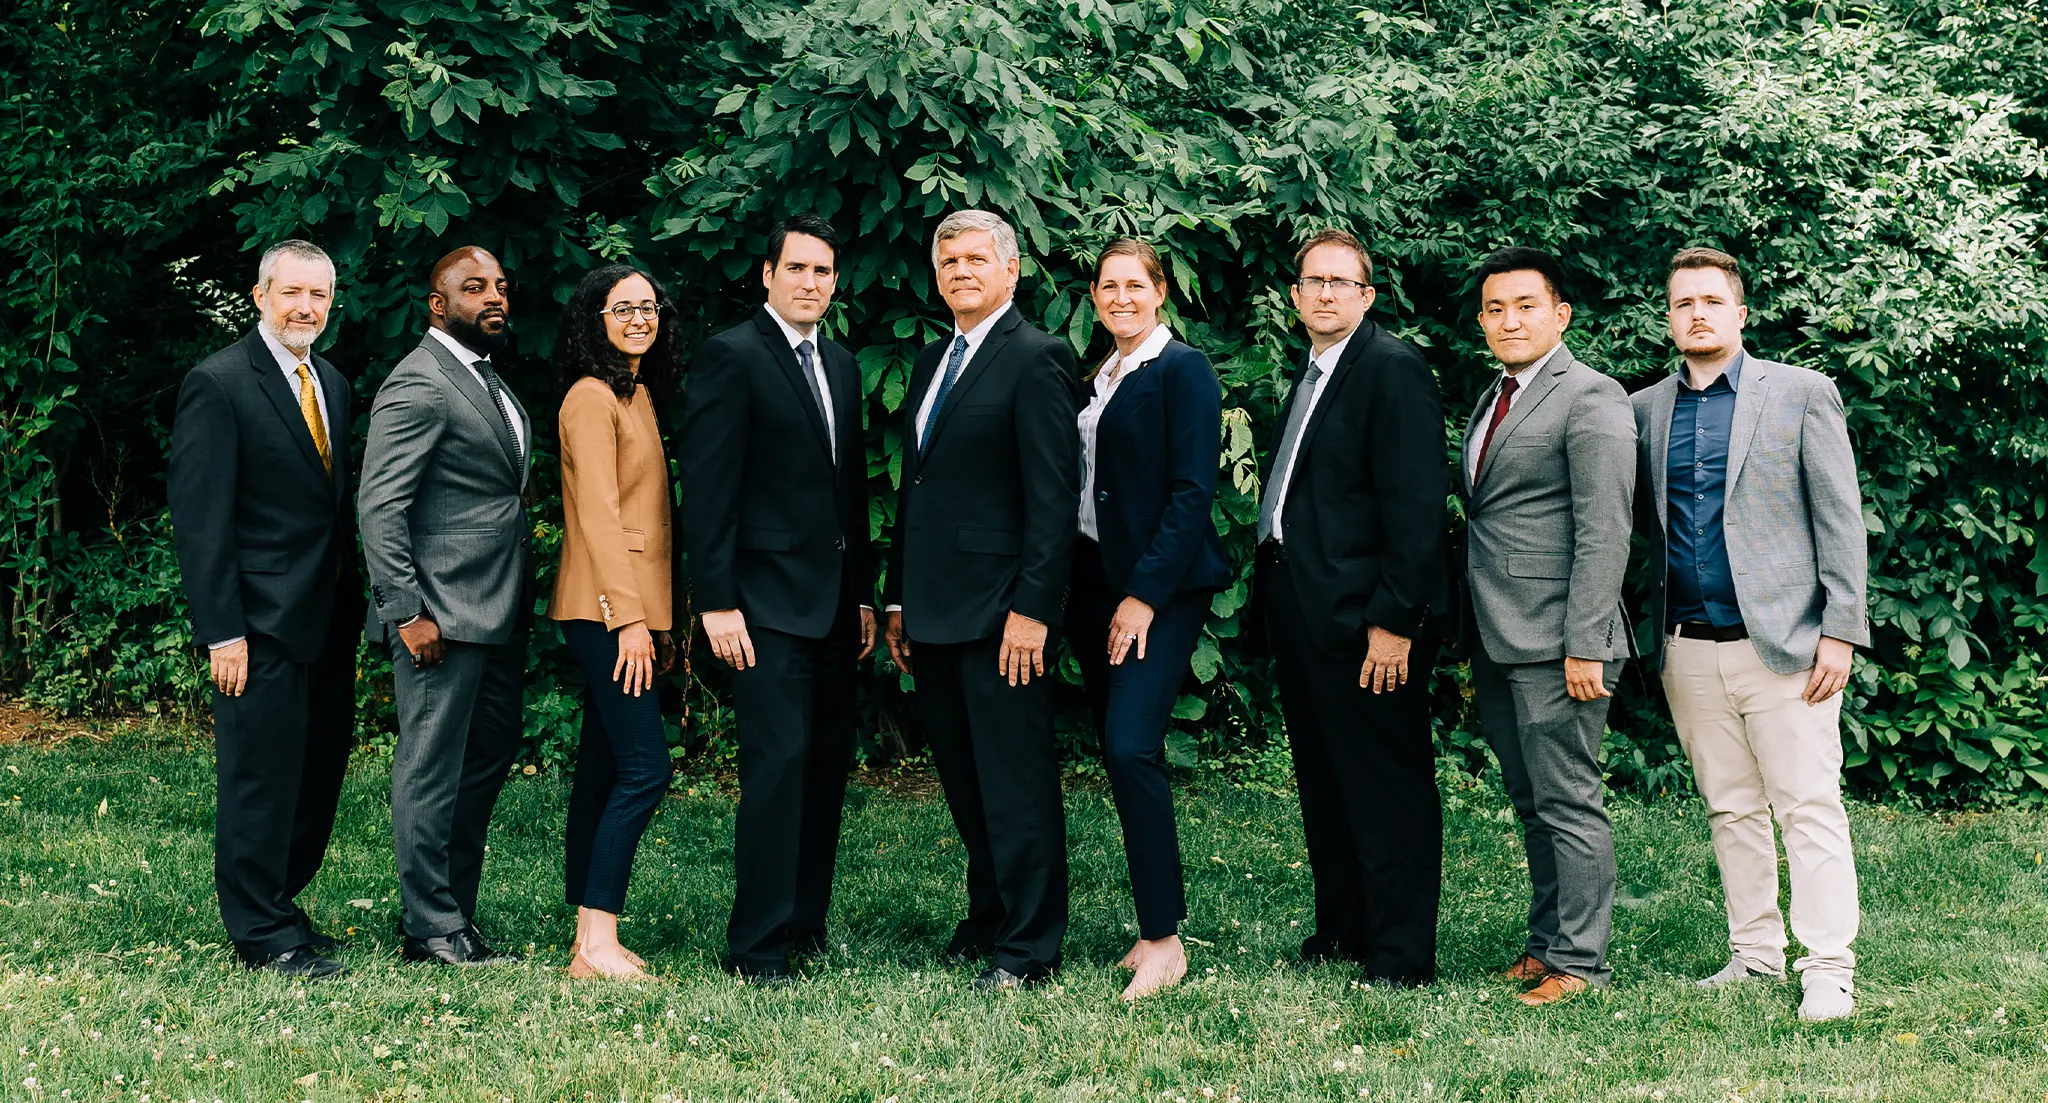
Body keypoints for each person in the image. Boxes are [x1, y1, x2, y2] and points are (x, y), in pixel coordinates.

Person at [1632, 247, 1869, 1022]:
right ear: (1667, 318)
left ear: (1740, 312)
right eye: (1681, 303)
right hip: (1688, 645)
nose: (1696, 313)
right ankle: (1755, 953)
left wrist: (1840, 629)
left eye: (1710, 300)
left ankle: (1829, 966)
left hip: (1788, 647)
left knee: (1808, 805)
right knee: (1731, 807)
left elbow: (1839, 519)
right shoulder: (1644, 410)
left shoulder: (1802, 393)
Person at [882, 209, 1080, 990]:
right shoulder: (937, 359)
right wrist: (897, 598)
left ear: (1010, 269)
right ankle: (990, 914)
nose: (960, 271)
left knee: (1014, 780)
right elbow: (918, 491)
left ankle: (1030, 945)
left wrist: (1034, 609)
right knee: (965, 778)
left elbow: (1053, 496)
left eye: (975, 259)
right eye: (948, 261)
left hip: (1004, 613)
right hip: (932, 610)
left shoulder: (1038, 358)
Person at [680, 215, 877, 987]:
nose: (810, 282)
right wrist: (717, 602)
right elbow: (710, 489)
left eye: (823, 271)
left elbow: (848, 492)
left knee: (826, 764)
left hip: (833, 606)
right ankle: (757, 945)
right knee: (777, 765)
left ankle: (804, 924)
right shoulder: (732, 356)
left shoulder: (844, 363)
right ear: (767, 274)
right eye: (796, 267)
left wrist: (862, 595)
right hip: (759, 605)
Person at [1254, 228, 1452, 988]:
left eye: (1343, 282)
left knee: (1385, 785)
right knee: (1327, 780)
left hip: (1370, 620)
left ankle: (1401, 955)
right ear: (1297, 295)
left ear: (1367, 296)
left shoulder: (1392, 369)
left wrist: (1395, 621)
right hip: (1305, 611)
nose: (1327, 293)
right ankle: (1345, 927)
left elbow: (1413, 508)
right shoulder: (1313, 371)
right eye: (1315, 281)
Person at [167, 239, 362, 979]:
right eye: (291, 294)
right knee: (260, 778)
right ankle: (261, 932)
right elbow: (202, 521)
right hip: (255, 625)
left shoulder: (333, 384)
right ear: (260, 296)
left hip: (325, 623)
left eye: (318, 295)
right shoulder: (217, 385)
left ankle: (281, 902)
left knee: (315, 778)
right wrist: (223, 632)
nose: (305, 307)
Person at [1460, 246, 1635, 1007]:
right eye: (1496, 308)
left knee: (1569, 800)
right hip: (1499, 633)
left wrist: (1585, 642)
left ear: (1560, 313)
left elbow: (1606, 529)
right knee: (1532, 801)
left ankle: (1583, 962)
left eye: (1526, 305)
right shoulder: (1495, 394)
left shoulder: (1591, 396)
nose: (1510, 320)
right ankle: (1544, 946)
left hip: (1563, 640)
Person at [359, 246, 532, 967]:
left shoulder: (486, 380)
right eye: (472, 287)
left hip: (494, 612)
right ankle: (428, 927)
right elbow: (379, 506)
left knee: (481, 762)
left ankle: (454, 914)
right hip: (437, 618)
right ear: (437, 304)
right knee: (430, 768)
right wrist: (406, 610)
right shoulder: (420, 383)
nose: (492, 297)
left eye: (497, 286)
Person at [1067, 238, 1228, 1001]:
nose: (1121, 297)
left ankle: (1167, 940)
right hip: (1097, 588)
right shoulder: (1099, 373)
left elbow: (1193, 493)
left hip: (1157, 591)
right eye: (1108, 286)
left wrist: (1143, 595)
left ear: (1161, 291)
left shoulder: (1182, 370)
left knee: (1132, 747)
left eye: (1135, 285)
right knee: (1117, 746)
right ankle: (1147, 927)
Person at [549, 264, 682, 979]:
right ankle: (598, 940)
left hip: (628, 612)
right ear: (593, 319)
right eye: (622, 307)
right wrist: (630, 621)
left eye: (648, 306)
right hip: (603, 610)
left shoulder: (637, 394)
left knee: (604, 769)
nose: (639, 317)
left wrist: (658, 623)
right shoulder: (590, 397)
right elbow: (599, 518)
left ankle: (586, 942)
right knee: (644, 768)